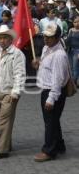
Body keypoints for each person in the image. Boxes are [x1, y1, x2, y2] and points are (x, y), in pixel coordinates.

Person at [32, 24, 70, 162]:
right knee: (53, 120)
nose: (46, 39)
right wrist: (39, 64)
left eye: (50, 37)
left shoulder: (59, 55)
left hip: (53, 91)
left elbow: (58, 79)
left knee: (50, 122)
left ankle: (49, 150)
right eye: (45, 36)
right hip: (46, 88)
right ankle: (59, 145)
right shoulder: (46, 48)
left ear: (58, 37)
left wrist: (51, 98)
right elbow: (47, 67)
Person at [0, 24, 26, 159]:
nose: (2, 40)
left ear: (10, 39)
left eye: (4, 38)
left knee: (3, 121)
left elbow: (20, 75)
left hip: (10, 92)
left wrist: (15, 92)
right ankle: (5, 144)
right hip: (0, 91)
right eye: (0, 38)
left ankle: (2, 149)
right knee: (3, 120)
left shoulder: (17, 54)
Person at [66, 16, 79, 87]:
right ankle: (73, 82)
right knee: (70, 67)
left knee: (75, 67)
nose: (76, 24)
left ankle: (73, 82)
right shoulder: (71, 30)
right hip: (70, 50)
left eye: (78, 22)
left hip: (77, 51)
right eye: (75, 22)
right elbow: (68, 41)